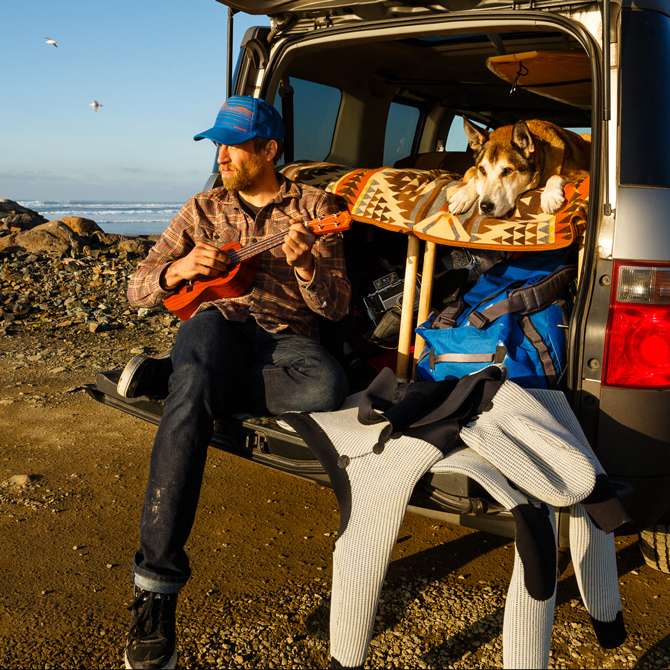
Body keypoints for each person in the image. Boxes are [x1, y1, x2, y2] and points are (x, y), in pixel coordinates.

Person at [120, 95, 351, 670]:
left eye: (233, 144)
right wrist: (179, 269)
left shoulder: (317, 208)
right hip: (216, 323)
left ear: (268, 150)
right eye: (216, 143)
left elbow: (338, 307)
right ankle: (155, 591)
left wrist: (304, 266)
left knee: (324, 385)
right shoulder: (202, 208)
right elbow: (139, 286)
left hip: (285, 342)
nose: (220, 154)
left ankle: (177, 380)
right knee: (199, 375)